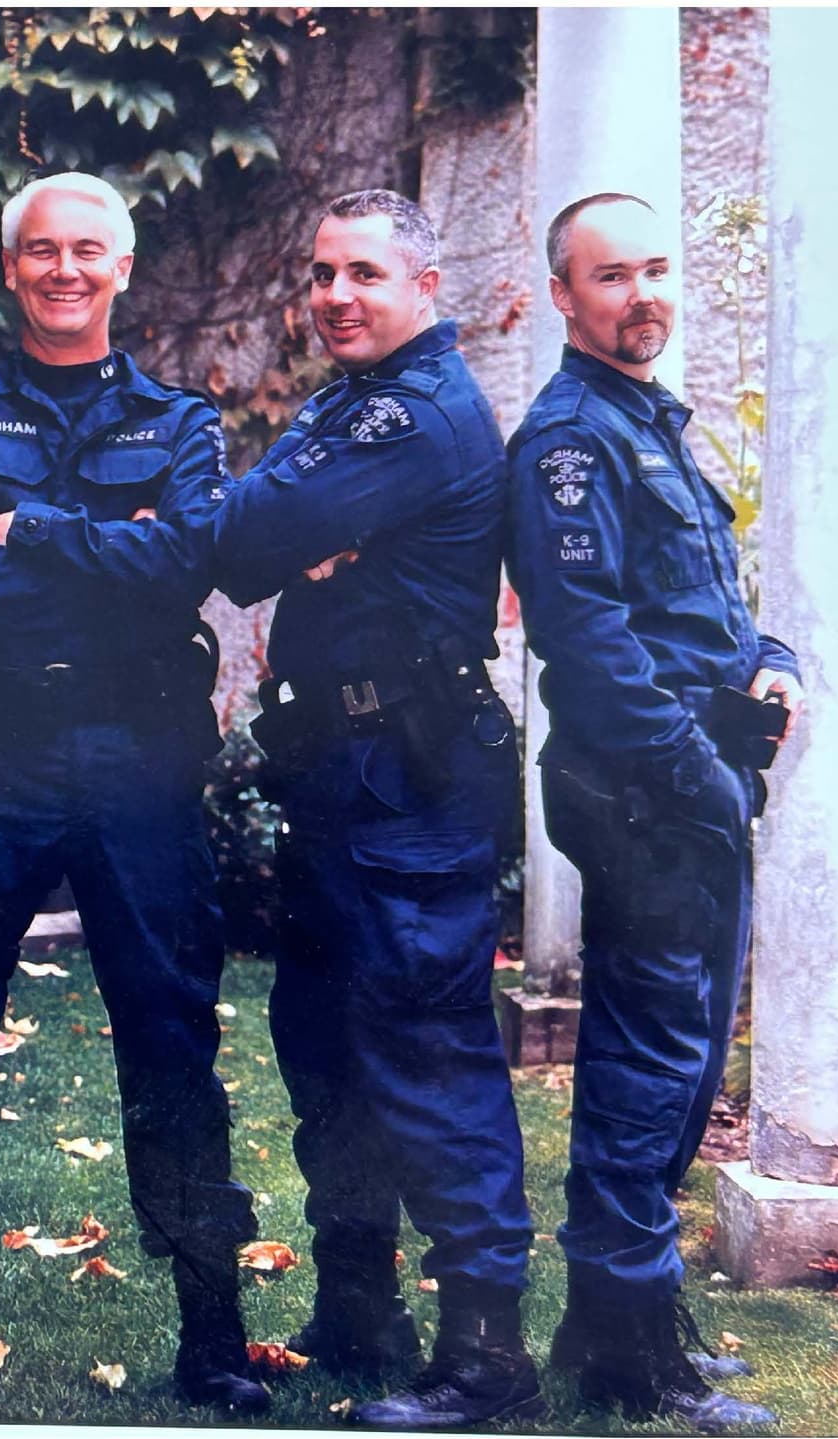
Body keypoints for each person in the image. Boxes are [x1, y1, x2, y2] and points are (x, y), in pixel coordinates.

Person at [0, 172, 265, 1412]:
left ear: (124, 268)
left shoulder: (180, 419)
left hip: (142, 747)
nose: (65, 270)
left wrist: (21, 529)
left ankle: (212, 1329)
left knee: (171, 1030)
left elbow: (178, 564)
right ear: (9, 268)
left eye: (89, 250)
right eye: (41, 251)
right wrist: (103, 540)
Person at [210, 189, 540, 1429]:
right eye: (323, 273)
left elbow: (243, 540)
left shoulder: (412, 411)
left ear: (425, 289)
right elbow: (266, 533)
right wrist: (297, 530)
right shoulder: (354, 403)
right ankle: (359, 1308)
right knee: (327, 1046)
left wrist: (294, 529)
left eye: (365, 274)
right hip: (339, 773)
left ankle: (487, 1354)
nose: (337, 295)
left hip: (410, 775)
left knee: (430, 1051)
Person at [508, 192, 793, 1431]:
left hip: (688, 785)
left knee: (678, 1067)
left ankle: (613, 1322)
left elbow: (702, 606)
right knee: (649, 1064)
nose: (643, 295)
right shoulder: (571, 439)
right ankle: (631, 1354)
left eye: (657, 269)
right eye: (612, 276)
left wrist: (767, 654)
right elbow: (591, 644)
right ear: (566, 298)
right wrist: (705, 769)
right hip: (649, 789)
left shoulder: (651, 423)